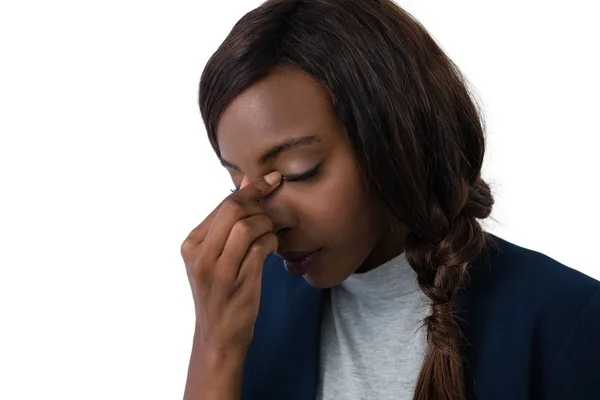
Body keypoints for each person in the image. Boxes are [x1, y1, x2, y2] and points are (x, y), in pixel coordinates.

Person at [180, 0, 600, 399]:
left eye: (297, 170)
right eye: (237, 182)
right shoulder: (247, 307)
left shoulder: (569, 320)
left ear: (396, 143)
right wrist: (213, 349)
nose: (265, 217)